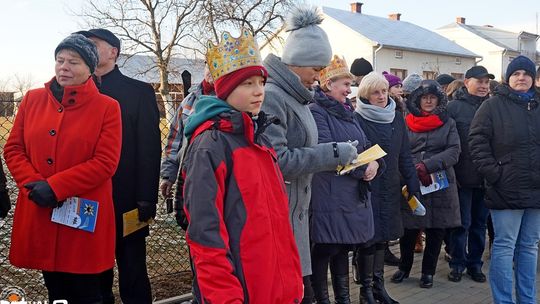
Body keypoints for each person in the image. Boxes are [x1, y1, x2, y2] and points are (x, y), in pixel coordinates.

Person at [182, 28, 303, 303]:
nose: (259, 91)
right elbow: (206, 234)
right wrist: (224, 297)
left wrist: (292, 282)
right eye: (247, 83)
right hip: (240, 292)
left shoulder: (259, 139)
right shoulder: (210, 145)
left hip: (274, 286)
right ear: (225, 89)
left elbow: (277, 224)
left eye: (261, 82)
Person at [4, 33, 122, 303]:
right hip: (41, 209)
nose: (64, 67)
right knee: (55, 290)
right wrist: (34, 184)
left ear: (90, 69)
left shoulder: (107, 108)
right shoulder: (32, 100)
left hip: (82, 219)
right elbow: (13, 149)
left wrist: (56, 187)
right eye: (60, 60)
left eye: (74, 62)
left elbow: (105, 162)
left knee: (88, 292)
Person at [260, 6, 359, 303]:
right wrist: (333, 154)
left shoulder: (297, 96)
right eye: (315, 69)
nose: (318, 77)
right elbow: (277, 161)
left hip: (297, 214)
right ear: (297, 62)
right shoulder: (274, 97)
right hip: (280, 215)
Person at [78, 28, 161, 304]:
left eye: (94, 44)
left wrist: (146, 197)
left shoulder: (138, 92)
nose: (86, 48)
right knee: (93, 275)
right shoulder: (73, 94)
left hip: (127, 200)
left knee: (133, 271)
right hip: (87, 201)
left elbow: (149, 149)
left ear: (113, 52)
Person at [309, 56, 381, 304]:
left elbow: (365, 144)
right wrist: (363, 169)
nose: (349, 90)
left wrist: (374, 162)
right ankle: (322, 299)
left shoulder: (347, 112)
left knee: (342, 247)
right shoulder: (317, 112)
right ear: (328, 84)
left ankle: (343, 299)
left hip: (349, 193)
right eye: (345, 84)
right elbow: (328, 150)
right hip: (329, 192)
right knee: (325, 248)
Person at [469, 55, 540, 304]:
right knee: (504, 246)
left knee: (530, 246)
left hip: (536, 190)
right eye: (516, 74)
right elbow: (477, 142)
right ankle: (503, 301)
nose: (521, 78)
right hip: (505, 189)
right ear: (508, 78)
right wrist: (495, 174)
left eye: (526, 74)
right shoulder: (492, 105)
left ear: (533, 78)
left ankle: (527, 300)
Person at [356, 71, 420, 304]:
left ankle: (379, 287)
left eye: (384, 91)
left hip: (391, 183)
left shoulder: (396, 117)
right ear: (365, 95)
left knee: (383, 238)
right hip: (368, 185)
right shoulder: (358, 118)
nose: (382, 96)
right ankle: (365, 291)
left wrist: (412, 182)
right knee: (368, 238)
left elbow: (405, 154)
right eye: (376, 92)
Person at [391, 80, 461, 289]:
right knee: (410, 227)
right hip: (411, 178)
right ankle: (404, 266)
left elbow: (454, 151)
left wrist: (427, 165)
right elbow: (400, 149)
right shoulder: (406, 121)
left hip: (439, 181)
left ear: (439, 100)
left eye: (433, 97)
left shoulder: (448, 122)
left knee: (436, 228)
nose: (429, 101)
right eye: (424, 97)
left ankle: (428, 272)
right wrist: (413, 168)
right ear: (417, 100)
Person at [447, 66, 494, 284]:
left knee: (479, 224)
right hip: (462, 177)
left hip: (487, 178)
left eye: (487, 82)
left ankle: (475, 264)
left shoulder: (494, 106)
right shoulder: (453, 108)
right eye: (480, 81)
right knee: (461, 223)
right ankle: (457, 263)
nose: (484, 86)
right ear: (467, 82)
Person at [160, 65, 214, 201]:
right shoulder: (189, 101)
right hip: (188, 177)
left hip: (218, 179)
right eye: (208, 65)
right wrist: (168, 175)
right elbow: (174, 140)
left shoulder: (234, 99)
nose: (212, 70)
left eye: (217, 63)